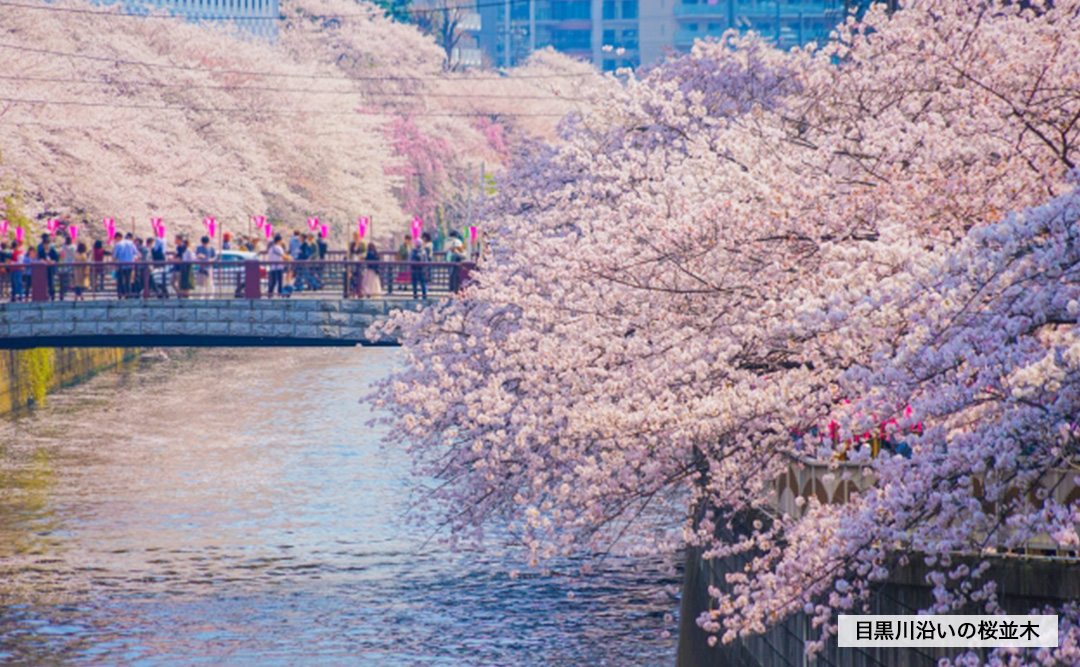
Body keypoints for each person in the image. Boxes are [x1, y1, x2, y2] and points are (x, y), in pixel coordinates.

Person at [112, 232, 139, 298]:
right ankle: (128, 294)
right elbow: (136, 253)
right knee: (128, 280)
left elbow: (115, 256)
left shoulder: (118, 244)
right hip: (130, 264)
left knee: (120, 280)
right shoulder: (131, 243)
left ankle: (120, 294)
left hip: (121, 264)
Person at [59, 234, 77, 300]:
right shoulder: (74, 246)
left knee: (66, 276)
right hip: (72, 261)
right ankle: (73, 287)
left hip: (66, 261)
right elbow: (75, 254)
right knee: (73, 275)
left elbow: (61, 253)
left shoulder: (64, 246)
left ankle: (66, 288)